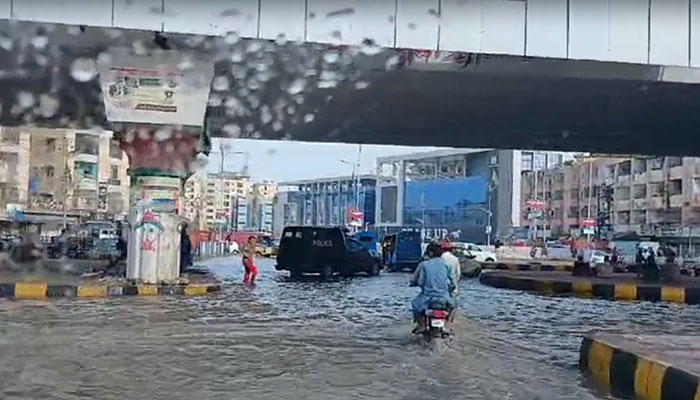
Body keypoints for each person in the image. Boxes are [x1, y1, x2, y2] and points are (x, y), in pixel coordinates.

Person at [410, 242, 455, 333]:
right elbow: (452, 282)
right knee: (454, 305)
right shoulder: (446, 265)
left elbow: (420, 281)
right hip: (444, 297)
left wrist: (414, 284)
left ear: (430, 252)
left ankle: (421, 325)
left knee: (414, 304)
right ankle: (448, 325)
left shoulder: (424, 264)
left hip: (427, 297)